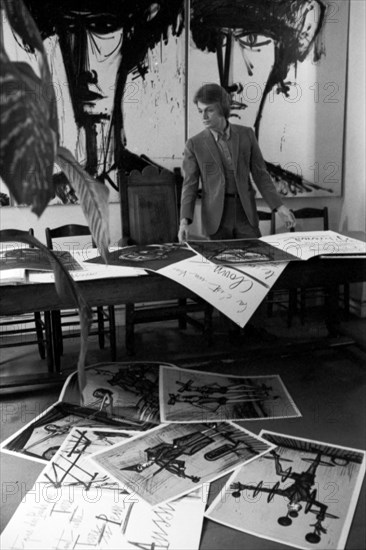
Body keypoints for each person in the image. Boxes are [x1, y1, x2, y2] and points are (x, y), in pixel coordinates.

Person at [178, 83, 296, 243]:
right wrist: (184, 222)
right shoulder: (194, 144)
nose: (203, 117)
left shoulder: (246, 135)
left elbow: (261, 175)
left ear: (222, 108)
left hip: (245, 213)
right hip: (215, 218)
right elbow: (189, 185)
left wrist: (279, 207)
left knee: (256, 258)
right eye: (200, 111)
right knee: (220, 264)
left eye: (209, 110)